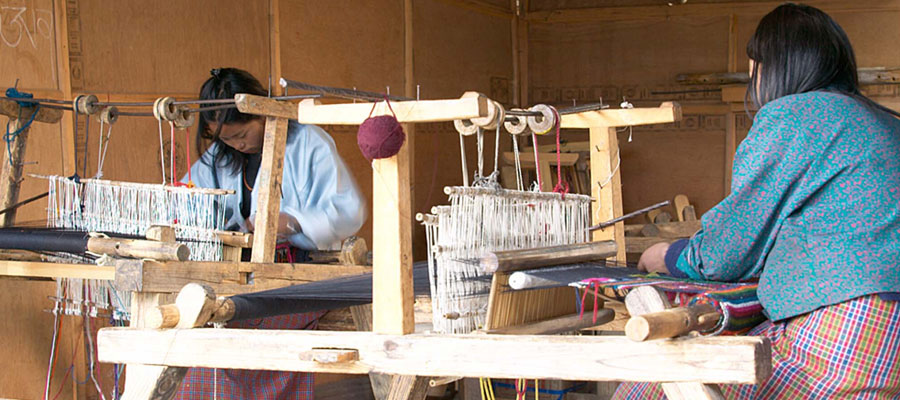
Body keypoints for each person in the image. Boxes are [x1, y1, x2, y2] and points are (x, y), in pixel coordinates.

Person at [616, 4, 900, 399]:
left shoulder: (797, 116)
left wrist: (667, 255)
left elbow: (726, 252)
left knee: (648, 386)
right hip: (888, 347)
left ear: (771, 67)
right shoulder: (886, 123)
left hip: (842, 338)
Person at [176, 68, 366, 399]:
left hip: (304, 276)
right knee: (193, 330)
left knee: (225, 335)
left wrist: (293, 222)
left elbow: (349, 210)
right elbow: (190, 198)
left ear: (261, 113)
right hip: (243, 274)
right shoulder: (221, 157)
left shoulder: (309, 143)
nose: (237, 144)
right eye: (226, 139)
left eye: (241, 135)